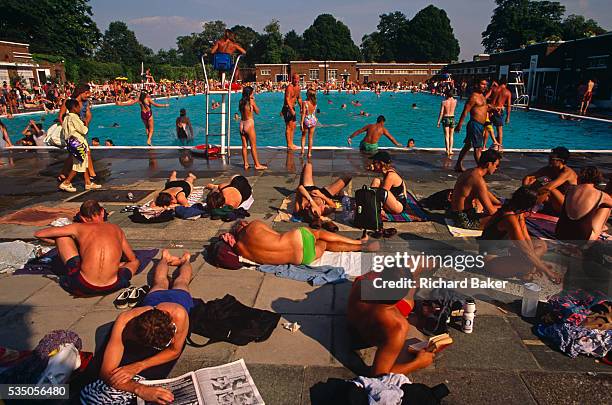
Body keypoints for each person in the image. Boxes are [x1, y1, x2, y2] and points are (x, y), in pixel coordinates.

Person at [98, 250, 192, 404]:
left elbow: (174, 350)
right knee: (160, 282)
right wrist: (139, 389)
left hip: (179, 300)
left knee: (181, 282)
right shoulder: (124, 321)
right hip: (154, 300)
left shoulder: (179, 314)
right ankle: (165, 258)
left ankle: (184, 261)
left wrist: (138, 365)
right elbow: (106, 372)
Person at [34, 200, 139, 296]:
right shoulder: (116, 229)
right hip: (113, 285)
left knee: (62, 237)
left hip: (82, 285)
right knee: (135, 262)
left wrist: (58, 243)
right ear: (102, 212)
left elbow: (39, 234)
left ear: (82, 218)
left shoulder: (78, 227)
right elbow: (131, 258)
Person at [347, 267, 435, 376]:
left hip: (356, 321)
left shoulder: (362, 284)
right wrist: (418, 363)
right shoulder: (397, 326)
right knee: (411, 289)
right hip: (369, 335)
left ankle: (426, 265)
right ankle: (431, 263)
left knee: (409, 266)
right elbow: (379, 374)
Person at [480, 187, 561, 283]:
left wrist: (536, 262)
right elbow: (525, 250)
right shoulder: (509, 218)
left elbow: (526, 238)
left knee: (541, 245)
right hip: (490, 259)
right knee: (528, 264)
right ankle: (528, 269)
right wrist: (547, 271)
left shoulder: (518, 212)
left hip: (506, 250)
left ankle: (531, 267)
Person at [222, 219, 373, 265]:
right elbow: (276, 235)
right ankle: (359, 242)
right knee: (319, 234)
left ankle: (357, 247)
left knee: (323, 245)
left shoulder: (240, 249)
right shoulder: (253, 225)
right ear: (242, 225)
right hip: (297, 238)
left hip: (303, 258)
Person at [448, 149, 503, 229]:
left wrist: (499, 203)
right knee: (506, 216)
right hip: (464, 220)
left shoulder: (470, 171)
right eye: (496, 165)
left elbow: (485, 192)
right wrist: (506, 209)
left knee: (482, 202)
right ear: (488, 164)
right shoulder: (478, 180)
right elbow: (491, 211)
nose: (496, 168)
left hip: (456, 213)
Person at [556, 166, 612, 242]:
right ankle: (601, 227)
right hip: (582, 239)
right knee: (606, 206)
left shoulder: (570, 189)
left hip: (560, 234)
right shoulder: (601, 195)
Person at [59, 99, 101, 192]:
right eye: (78, 106)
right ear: (74, 108)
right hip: (78, 143)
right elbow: (83, 130)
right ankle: (66, 182)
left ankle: (88, 183)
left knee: (83, 162)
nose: (80, 108)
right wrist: (85, 123)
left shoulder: (66, 118)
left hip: (72, 142)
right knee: (79, 165)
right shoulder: (74, 118)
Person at [522, 147, 577, 213]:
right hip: (554, 201)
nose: (549, 160)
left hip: (567, 205)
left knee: (548, 187)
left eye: (551, 159)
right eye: (549, 157)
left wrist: (531, 195)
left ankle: (531, 207)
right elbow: (529, 177)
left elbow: (548, 188)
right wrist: (524, 191)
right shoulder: (549, 169)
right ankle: (529, 203)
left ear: (561, 161)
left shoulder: (567, 173)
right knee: (536, 182)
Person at [454, 79, 492, 172]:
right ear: (476, 84)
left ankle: (458, 165)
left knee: (468, 145)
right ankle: (481, 169)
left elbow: (483, 108)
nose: (484, 86)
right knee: (477, 148)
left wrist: (493, 108)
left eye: (485, 85)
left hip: (480, 125)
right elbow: (465, 111)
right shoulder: (474, 97)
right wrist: (459, 124)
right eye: (482, 84)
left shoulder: (482, 96)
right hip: (475, 124)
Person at [238, 86, 267, 170]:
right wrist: (253, 101)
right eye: (252, 92)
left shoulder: (241, 102)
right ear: (250, 93)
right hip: (249, 124)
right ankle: (257, 164)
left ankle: (246, 164)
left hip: (242, 124)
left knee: (244, 146)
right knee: (253, 146)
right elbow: (257, 111)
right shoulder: (251, 101)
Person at [282, 74, 303, 150]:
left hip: (292, 108)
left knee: (293, 126)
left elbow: (299, 98)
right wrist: (291, 109)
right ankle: (289, 144)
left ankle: (291, 142)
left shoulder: (298, 88)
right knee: (288, 126)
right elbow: (287, 99)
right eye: (295, 78)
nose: (296, 80)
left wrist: (301, 107)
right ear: (292, 79)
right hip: (287, 108)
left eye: (298, 78)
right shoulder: (289, 88)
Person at [489, 78, 512, 146]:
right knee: (499, 130)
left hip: (490, 110)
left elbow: (486, 97)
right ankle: (500, 146)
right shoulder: (507, 92)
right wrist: (508, 117)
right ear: (506, 84)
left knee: (488, 128)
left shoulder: (494, 89)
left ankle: (484, 145)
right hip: (499, 111)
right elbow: (508, 106)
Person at [437, 90, 457, 157]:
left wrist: (438, 122)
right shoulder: (455, 101)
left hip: (446, 118)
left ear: (446, 95)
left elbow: (441, 113)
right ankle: (451, 150)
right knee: (451, 135)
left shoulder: (444, 102)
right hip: (452, 118)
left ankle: (447, 150)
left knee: (446, 135)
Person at [300, 88, 318, 157]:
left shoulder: (305, 103)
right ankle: (309, 153)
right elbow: (314, 113)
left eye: (306, 93)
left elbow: (303, 113)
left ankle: (302, 151)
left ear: (309, 95)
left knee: (303, 136)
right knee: (310, 138)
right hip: (313, 119)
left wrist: (301, 123)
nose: (305, 94)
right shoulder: (314, 103)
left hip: (307, 120)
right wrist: (315, 119)